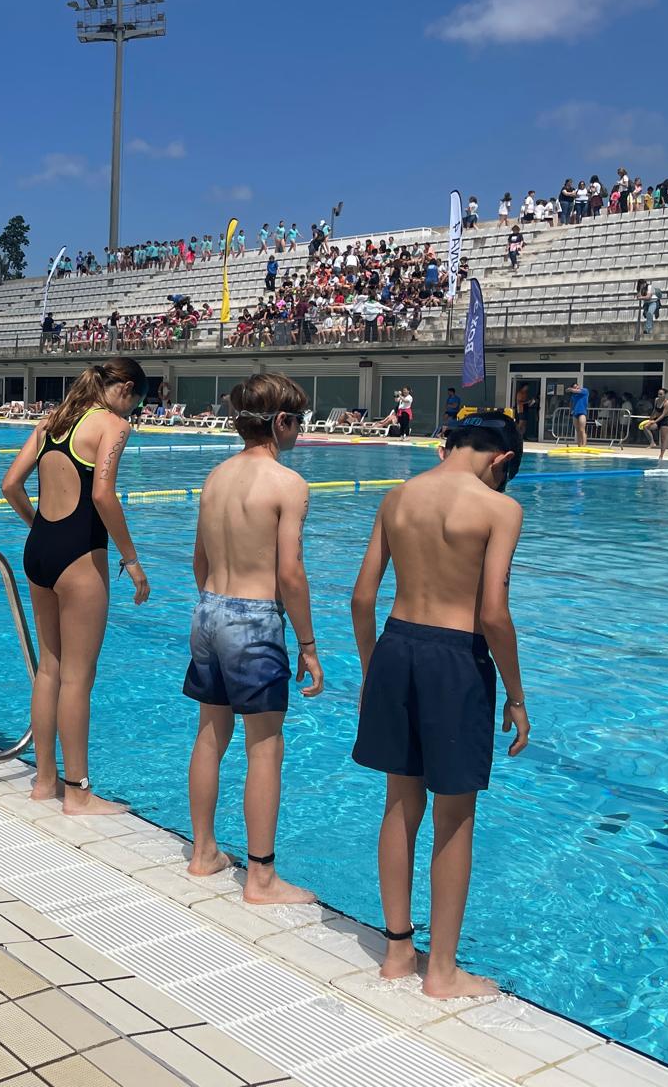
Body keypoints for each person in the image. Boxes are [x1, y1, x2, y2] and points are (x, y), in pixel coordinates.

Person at [350, 410, 528, 999]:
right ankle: (443, 973)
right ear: (503, 459)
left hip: (395, 647)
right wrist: (516, 695)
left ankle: (398, 952)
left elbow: (361, 598)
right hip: (456, 659)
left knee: (400, 804)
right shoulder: (499, 509)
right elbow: (494, 613)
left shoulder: (397, 498)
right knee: (454, 817)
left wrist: (373, 671)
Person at [184, 373, 322, 902]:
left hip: (208, 610)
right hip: (254, 620)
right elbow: (291, 573)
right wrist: (307, 645)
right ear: (281, 422)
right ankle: (261, 878)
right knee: (264, 748)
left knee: (210, 734)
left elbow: (199, 560)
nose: (300, 430)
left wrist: (216, 605)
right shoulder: (288, 484)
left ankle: (203, 853)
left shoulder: (215, 477)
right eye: (299, 421)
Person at [1, 357, 149, 817]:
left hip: (39, 550)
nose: (132, 412)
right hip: (80, 557)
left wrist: (40, 528)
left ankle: (45, 781)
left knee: (49, 669)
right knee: (78, 678)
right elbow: (102, 495)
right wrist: (131, 559)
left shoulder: (51, 423)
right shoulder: (113, 425)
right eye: (136, 403)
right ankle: (79, 793)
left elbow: (10, 485)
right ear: (125, 389)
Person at [643, 387, 668, 460]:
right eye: (658, 394)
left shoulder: (667, 403)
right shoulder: (656, 400)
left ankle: (661, 455)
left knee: (663, 439)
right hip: (657, 419)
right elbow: (654, 410)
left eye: (661, 394)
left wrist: (655, 421)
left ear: (665, 395)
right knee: (646, 427)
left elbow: (663, 415)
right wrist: (650, 419)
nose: (659, 395)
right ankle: (652, 442)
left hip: (665, 420)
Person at [568, 381, 590, 446]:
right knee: (577, 430)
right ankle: (579, 445)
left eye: (576, 387)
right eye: (574, 387)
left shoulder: (584, 391)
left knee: (582, 430)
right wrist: (571, 410)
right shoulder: (573, 395)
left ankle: (584, 445)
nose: (576, 388)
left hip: (582, 413)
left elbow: (576, 391)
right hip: (575, 413)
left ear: (578, 386)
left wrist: (570, 389)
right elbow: (572, 403)